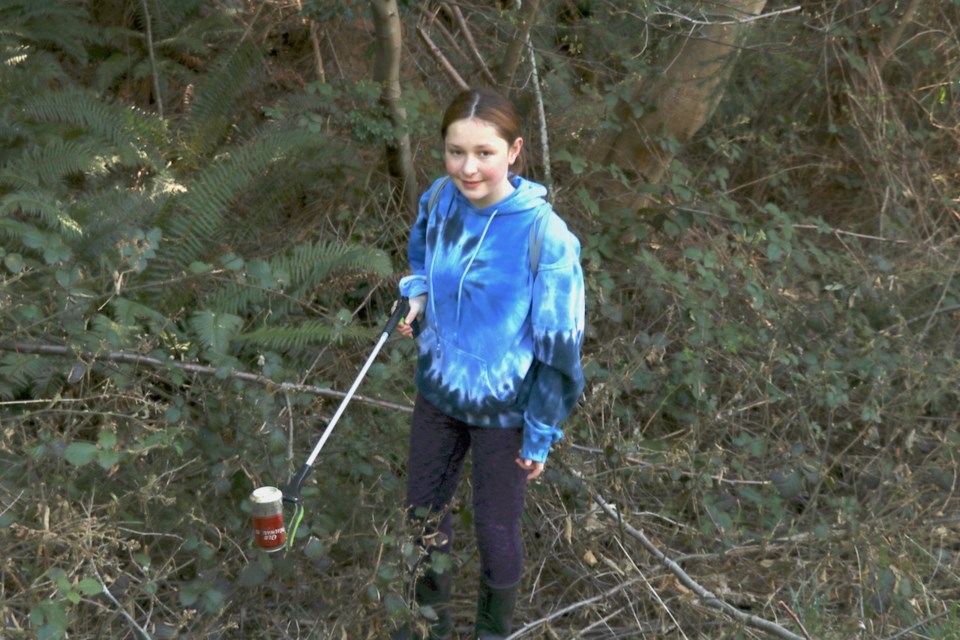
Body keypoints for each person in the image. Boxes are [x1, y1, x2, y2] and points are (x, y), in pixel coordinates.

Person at [394, 87, 585, 640]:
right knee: (422, 519)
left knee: (495, 532)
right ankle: (425, 628)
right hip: (438, 393)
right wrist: (418, 296)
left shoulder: (543, 236)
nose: (468, 167)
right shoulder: (438, 199)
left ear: (514, 151)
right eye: (456, 152)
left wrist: (541, 432)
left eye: (484, 153)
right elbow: (421, 259)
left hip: (506, 411)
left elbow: (562, 349)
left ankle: (491, 633)